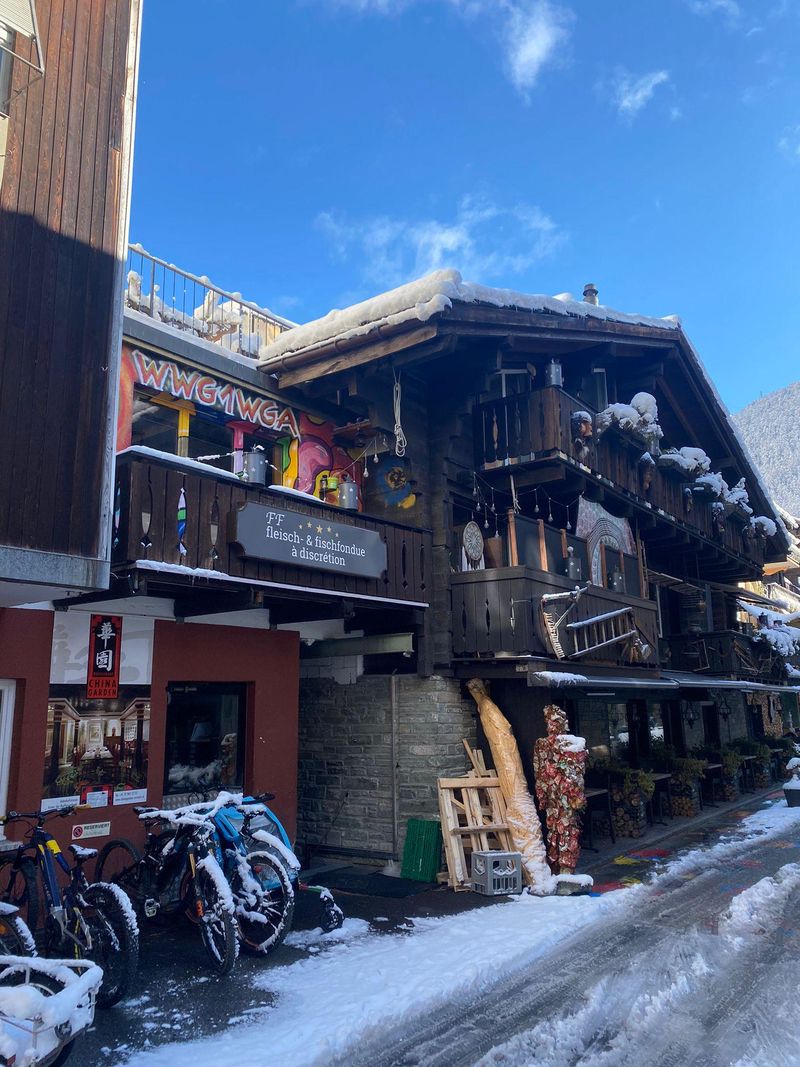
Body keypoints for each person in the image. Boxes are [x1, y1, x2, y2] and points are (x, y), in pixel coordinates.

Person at [532, 704, 587, 875]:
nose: (552, 726)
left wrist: (575, 796)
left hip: (563, 797)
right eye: (550, 722)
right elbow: (539, 771)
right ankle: (558, 866)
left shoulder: (570, 743)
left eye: (555, 722)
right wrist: (542, 795)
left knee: (566, 830)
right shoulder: (543, 745)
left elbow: (575, 773)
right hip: (554, 798)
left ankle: (565, 867)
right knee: (556, 830)